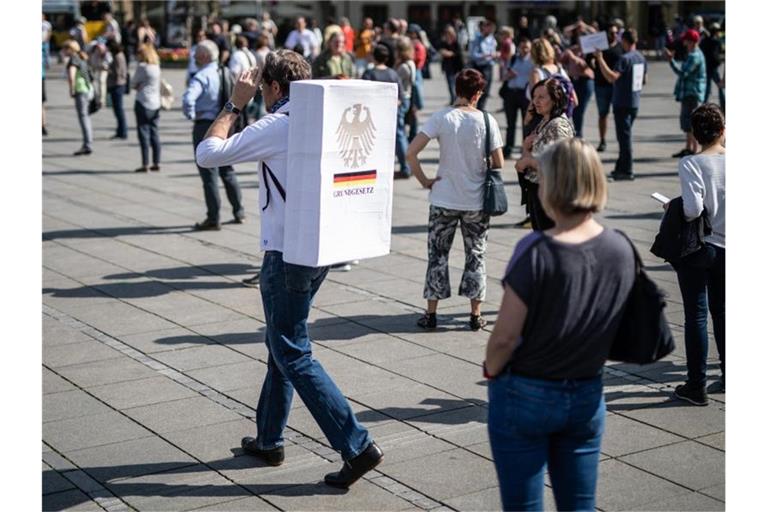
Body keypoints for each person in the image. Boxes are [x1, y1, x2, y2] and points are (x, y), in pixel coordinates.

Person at [195, 49, 383, 488]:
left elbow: (208, 153)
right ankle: (269, 438)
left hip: (285, 254)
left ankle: (356, 445)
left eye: (262, 87)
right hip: (322, 248)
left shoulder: (279, 123)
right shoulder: (322, 115)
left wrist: (233, 104)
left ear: (275, 87)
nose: (259, 93)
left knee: (292, 350)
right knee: (281, 343)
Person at [485, 137, 635, 512]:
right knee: (580, 505)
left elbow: (504, 337)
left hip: (527, 390)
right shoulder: (619, 247)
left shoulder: (535, 249)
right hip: (586, 391)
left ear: (553, 184)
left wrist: (491, 370)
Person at [406, 68, 504, 331]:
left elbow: (411, 153)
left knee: (437, 255)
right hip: (475, 201)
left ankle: (431, 314)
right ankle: (475, 314)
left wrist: (424, 181)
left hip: (443, 198)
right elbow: (499, 162)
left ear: (457, 90)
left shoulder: (441, 117)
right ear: (478, 94)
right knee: (476, 255)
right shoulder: (487, 121)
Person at [670, 104, 726, 405]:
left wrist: (673, 207)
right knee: (724, 312)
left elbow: (692, 210)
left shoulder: (692, 163)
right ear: (722, 130)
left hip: (702, 247)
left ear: (694, 133)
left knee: (696, 315)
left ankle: (697, 385)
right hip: (730, 248)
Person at [182, 40, 245, 230]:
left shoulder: (201, 76)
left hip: (205, 126)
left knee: (209, 173)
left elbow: (188, 99)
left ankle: (213, 217)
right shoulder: (224, 71)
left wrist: (191, 114)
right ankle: (239, 211)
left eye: (196, 54)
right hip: (225, 124)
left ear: (204, 56)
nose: (193, 57)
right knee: (227, 170)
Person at [514, 78, 575, 231]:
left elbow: (562, 164)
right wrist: (526, 147)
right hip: (537, 190)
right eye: (534, 97)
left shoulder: (558, 125)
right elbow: (529, 153)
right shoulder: (544, 121)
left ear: (555, 99)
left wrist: (528, 162)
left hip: (551, 194)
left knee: (550, 241)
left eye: (541, 97)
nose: (535, 101)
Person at [595, 28, 646, 181]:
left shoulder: (624, 59)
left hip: (622, 103)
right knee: (625, 136)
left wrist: (600, 59)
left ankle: (627, 170)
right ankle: (620, 167)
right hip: (634, 102)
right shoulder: (640, 57)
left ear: (624, 41)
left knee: (624, 139)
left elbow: (611, 77)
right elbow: (645, 80)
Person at [666, 29, 707, 158]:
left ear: (692, 42)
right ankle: (689, 148)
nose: (684, 43)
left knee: (691, 122)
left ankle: (694, 150)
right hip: (690, 93)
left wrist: (671, 61)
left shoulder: (695, 56)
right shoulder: (693, 54)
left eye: (686, 41)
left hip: (692, 93)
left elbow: (683, 73)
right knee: (687, 122)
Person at [590, 23, 622, 152]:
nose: (614, 35)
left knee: (619, 114)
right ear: (606, 34)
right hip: (601, 85)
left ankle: (621, 141)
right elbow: (589, 59)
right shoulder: (599, 47)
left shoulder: (620, 48)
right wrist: (592, 61)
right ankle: (602, 140)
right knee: (603, 114)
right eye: (611, 32)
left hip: (617, 86)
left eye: (616, 32)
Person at [501, 38, 534, 157]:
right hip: (511, 93)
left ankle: (525, 148)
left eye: (527, 48)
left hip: (525, 94)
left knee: (526, 123)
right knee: (510, 123)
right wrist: (509, 75)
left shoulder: (533, 61)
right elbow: (503, 77)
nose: (524, 50)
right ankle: (508, 148)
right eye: (522, 47)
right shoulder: (513, 58)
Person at [132, 43, 162, 173]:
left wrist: (137, 86)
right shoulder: (156, 67)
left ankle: (145, 163)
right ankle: (156, 162)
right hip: (155, 103)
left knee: (143, 133)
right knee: (154, 133)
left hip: (143, 101)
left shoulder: (142, 67)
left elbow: (133, 83)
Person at [62, 40, 94, 156]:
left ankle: (87, 144)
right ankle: (88, 142)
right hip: (87, 88)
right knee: (86, 117)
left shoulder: (73, 59)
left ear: (70, 49)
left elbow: (71, 75)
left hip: (80, 90)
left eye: (65, 49)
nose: (63, 51)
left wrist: (71, 89)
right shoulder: (81, 57)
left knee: (83, 117)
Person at [395, 38, 417, 179]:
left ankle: (406, 166)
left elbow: (397, 83)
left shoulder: (403, 67)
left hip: (401, 99)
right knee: (402, 132)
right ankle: (408, 165)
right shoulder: (411, 63)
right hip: (408, 99)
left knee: (399, 133)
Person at [469, 19, 498, 111]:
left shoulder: (492, 39)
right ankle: (473, 106)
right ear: (483, 28)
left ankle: (481, 108)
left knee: (486, 89)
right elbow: (473, 55)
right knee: (476, 89)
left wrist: (495, 55)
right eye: (487, 27)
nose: (489, 30)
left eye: (491, 28)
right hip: (478, 67)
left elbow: (493, 52)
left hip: (488, 66)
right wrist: (485, 55)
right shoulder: (477, 39)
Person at [106, 40, 128, 140]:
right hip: (118, 84)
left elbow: (118, 72)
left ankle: (122, 132)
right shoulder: (120, 55)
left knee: (119, 110)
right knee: (117, 110)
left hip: (117, 85)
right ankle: (120, 131)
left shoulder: (118, 56)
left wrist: (108, 70)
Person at [438, 25, 464, 105]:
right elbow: (441, 51)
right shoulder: (443, 42)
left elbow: (459, 53)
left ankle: (456, 100)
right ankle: (453, 100)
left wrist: (450, 53)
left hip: (456, 66)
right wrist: (444, 53)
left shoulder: (456, 42)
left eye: (450, 33)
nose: (448, 34)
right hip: (447, 67)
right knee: (450, 84)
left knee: (456, 85)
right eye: (447, 33)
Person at [699, 23, 724, 106]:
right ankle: (723, 104)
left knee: (707, 87)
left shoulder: (704, 41)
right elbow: (720, 51)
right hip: (713, 67)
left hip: (706, 66)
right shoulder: (716, 41)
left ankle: (704, 104)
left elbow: (701, 49)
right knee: (720, 85)